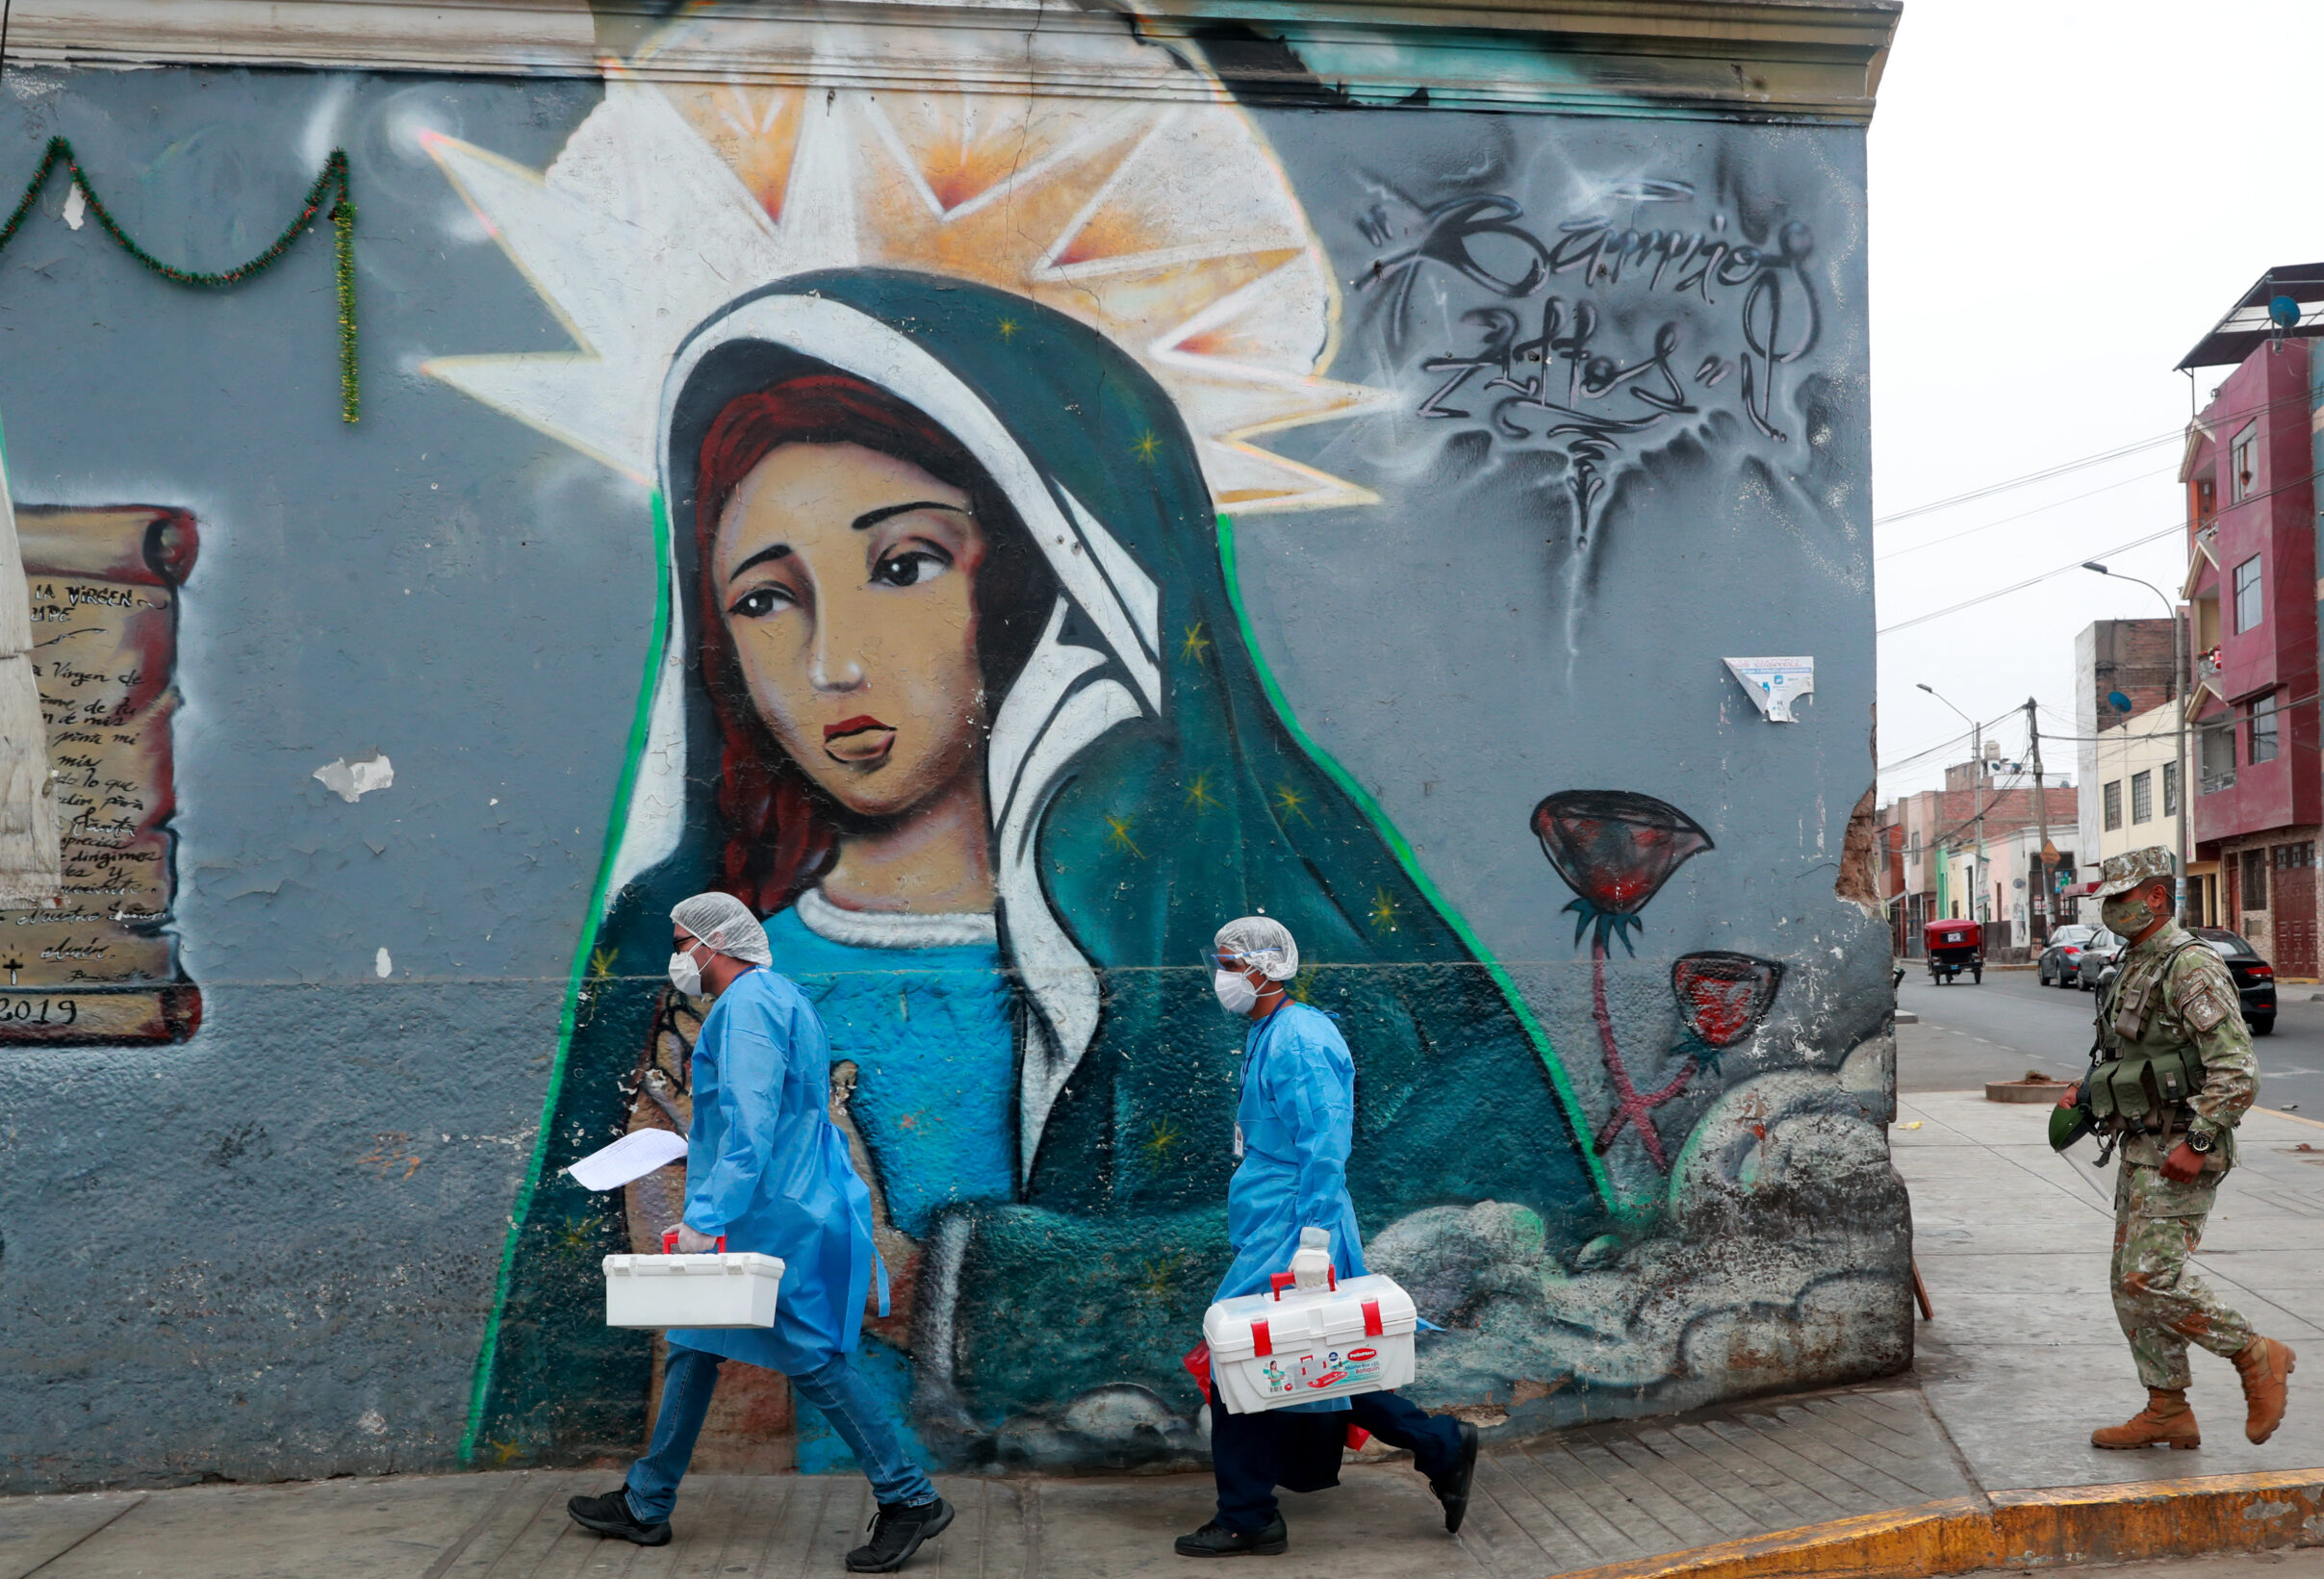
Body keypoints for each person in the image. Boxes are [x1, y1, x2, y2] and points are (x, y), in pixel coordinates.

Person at [473, 271, 1601, 1463]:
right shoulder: (685, 951)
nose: (834, 663)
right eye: (763, 599)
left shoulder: (1243, 934)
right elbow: (590, 1363)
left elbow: (1491, 1247)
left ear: (1034, 572)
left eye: (901, 565)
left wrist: (937, 1288)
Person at [567, 892, 955, 1572]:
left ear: (717, 943)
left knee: (810, 1356)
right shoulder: (777, 998)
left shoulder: (744, 1012)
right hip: (777, 1206)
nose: (680, 955)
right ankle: (646, 1503)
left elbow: (748, 1129)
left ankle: (909, 1496)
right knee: (692, 1342)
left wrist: (703, 1219)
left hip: (774, 1216)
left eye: (684, 941)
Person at [1174, 915, 1480, 1558]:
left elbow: (1325, 1143)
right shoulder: (1271, 1031)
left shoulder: (1301, 1041)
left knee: (1242, 1355)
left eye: (1230, 964)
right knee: (1308, 1359)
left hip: (1293, 1222)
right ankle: (1440, 1445)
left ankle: (1247, 1513)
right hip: (1275, 1217)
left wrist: (1312, 1233)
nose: (1221, 976)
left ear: (1263, 969)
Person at [2060, 848, 2294, 1451]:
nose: (2110, 909)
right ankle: (2166, 1407)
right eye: (2107, 900)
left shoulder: (2190, 966)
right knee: (2126, 1281)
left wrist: (2198, 1140)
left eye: (2120, 897)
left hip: (2181, 1150)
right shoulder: (2136, 962)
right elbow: (2135, 1055)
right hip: (2142, 1146)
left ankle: (2254, 1353)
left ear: (2156, 897)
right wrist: (2087, 1089)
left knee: (2148, 1277)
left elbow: (2237, 1070)